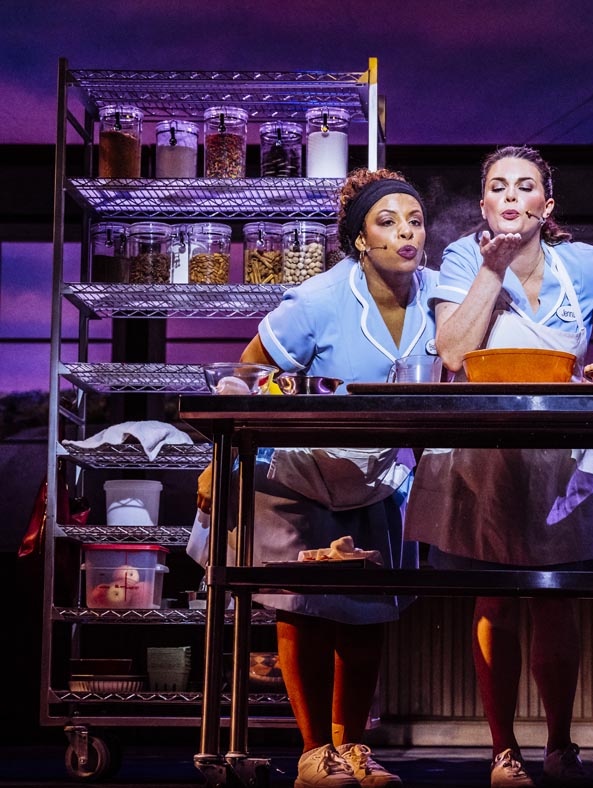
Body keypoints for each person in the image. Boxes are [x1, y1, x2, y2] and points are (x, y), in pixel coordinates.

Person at [197, 168, 437, 788]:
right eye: (386, 223)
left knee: (365, 613)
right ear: (358, 239)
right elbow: (242, 379)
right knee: (304, 610)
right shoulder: (318, 300)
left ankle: (353, 746)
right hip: (299, 476)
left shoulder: (438, 296)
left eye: (414, 221)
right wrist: (220, 458)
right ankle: (313, 754)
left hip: (376, 479)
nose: (404, 233)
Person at [405, 146, 593, 788]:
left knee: (557, 606)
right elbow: (452, 351)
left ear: (546, 206)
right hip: (485, 459)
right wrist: (490, 271)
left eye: (524, 186)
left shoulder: (585, 266)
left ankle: (560, 743)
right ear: (482, 206)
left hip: (563, 458)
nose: (509, 195)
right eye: (497, 186)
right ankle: (503, 750)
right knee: (494, 601)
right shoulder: (459, 259)